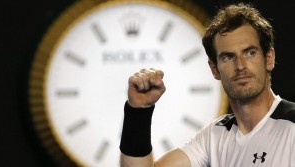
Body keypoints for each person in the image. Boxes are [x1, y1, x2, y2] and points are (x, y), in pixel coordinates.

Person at [119, 3, 295, 167]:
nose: (240, 65)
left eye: (250, 53)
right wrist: (138, 112)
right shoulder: (214, 135)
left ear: (269, 58)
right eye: (228, 57)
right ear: (214, 69)